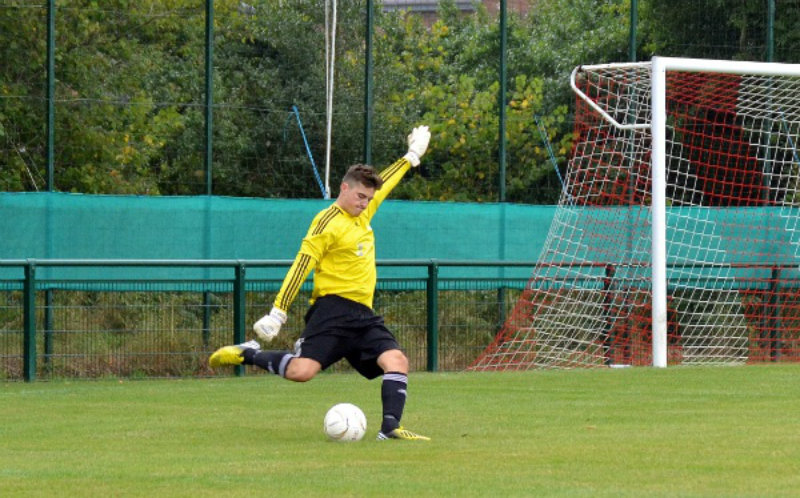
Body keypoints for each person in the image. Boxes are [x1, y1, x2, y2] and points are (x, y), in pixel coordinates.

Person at [209, 125, 432, 441]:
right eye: (360, 196)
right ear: (344, 188)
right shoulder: (326, 221)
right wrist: (278, 312)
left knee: (396, 361)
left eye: (369, 198)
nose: (365, 203)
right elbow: (302, 265)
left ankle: (390, 428)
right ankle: (248, 354)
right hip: (332, 311)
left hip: (363, 314)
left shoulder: (364, 213)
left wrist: (411, 156)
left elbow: (387, 182)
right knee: (302, 372)